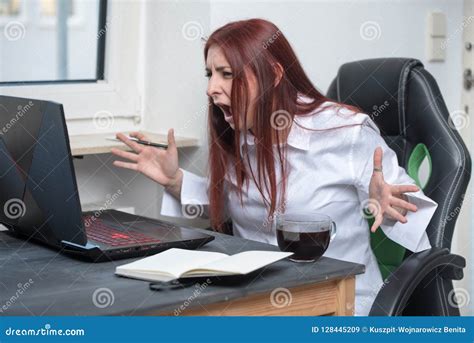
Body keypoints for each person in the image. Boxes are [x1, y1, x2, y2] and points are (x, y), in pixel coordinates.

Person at [111, 18, 437, 316]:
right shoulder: (242, 132)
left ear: (274, 74)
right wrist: (175, 181)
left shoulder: (345, 130)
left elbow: (415, 217)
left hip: (337, 303)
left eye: (227, 73)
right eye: (210, 74)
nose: (212, 88)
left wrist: (383, 200)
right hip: (257, 300)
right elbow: (233, 206)